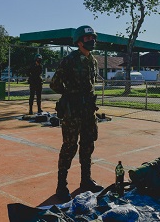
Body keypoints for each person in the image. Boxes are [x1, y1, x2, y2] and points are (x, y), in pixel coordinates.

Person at [50, 25, 103, 202]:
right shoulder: (70, 60)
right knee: (69, 147)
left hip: (88, 110)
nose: (92, 41)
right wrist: (70, 95)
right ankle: (61, 185)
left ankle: (86, 180)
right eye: (88, 39)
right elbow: (55, 84)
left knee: (88, 144)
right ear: (79, 42)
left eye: (93, 38)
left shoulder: (93, 61)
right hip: (73, 112)